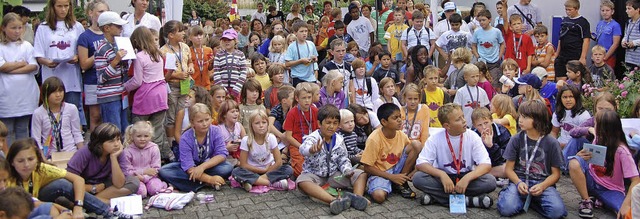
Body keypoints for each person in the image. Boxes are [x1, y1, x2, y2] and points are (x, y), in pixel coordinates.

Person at [5, 138, 131, 218]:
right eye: (20, 161)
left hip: (36, 200)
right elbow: (26, 204)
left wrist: (77, 207)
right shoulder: (6, 178)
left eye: (31, 159)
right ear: (11, 162)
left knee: (62, 184)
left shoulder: (41, 168)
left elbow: (78, 179)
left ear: (37, 159)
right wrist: (61, 209)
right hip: (16, 210)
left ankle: (108, 212)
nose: (26, 165)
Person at [413, 103, 496, 208]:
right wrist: (441, 175)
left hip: (466, 177)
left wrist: (467, 178)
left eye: (463, 117)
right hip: (443, 179)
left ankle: (437, 198)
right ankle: (469, 201)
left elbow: (486, 164)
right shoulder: (435, 138)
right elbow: (421, 163)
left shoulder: (473, 136)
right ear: (447, 126)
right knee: (418, 178)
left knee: (490, 181)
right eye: (458, 119)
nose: (464, 121)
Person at [496, 100, 567, 218]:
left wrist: (542, 186)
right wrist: (518, 182)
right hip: (519, 181)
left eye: (525, 117)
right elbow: (509, 169)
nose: (520, 120)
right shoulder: (516, 139)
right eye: (520, 115)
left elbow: (556, 174)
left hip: (543, 183)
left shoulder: (552, 143)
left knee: (557, 212)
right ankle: (515, 196)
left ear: (538, 119)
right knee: (506, 209)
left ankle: (530, 201)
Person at [296, 104, 369, 214]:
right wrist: (311, 150)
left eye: (335, 123)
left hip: (334, 176)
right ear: (320, 123)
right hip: (315, 175)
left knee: (361, 174)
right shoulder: (313, 138)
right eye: (328, 123)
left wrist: (347, 170)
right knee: (301, 181)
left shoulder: (339, 139)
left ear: (338, 125)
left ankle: (356, 198)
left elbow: (342, 159)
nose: (331, 126)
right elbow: (302, 149)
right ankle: (334, 201)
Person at [568, 110, 640, 218]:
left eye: (596, 124)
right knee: (574, 163)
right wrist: (580, 156)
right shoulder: (597, 139)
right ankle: (587, 200)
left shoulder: (622, 151)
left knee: (625, 213)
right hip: (592, 181)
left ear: (604, 128)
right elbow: (586, 164)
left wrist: (626, 204)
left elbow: (636, 180)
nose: (593, 126)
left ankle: (600, 200)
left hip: (611, 189)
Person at [34, 0, 86, 131]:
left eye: (66, 6)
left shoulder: (77, 26)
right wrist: (47, 62)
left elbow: (83, 49)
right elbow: (38, 54)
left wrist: (77, 57)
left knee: (72, 111)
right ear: (53, 7)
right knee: (51, 113)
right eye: (59, 6)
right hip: (52, 75)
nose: (63, 10)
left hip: (71, 77)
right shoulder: (43, 28)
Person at [159, 103, 233, 192]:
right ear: (192, 122)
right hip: (189, 169)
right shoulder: (185, 138)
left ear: (211, 118)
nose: (205, 124)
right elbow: (188, 167)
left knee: (227, 167)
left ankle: (192, 182)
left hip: (208, 165)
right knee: (164, 171)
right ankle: (207, 182)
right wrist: (209, 179)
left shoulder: (216, 131)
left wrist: (202, 167)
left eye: (207, 119)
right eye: (200, 121)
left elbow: (222, 154)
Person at [361, 103, 422, 203]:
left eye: (400, 117)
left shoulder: (401, 135)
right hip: (381, 172)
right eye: (395, 118)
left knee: (416, 144)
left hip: (398, 168)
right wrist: (391, 177)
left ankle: (401, 182)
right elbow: (367, 167)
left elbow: (411, 153)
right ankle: (391, 182)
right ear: (384, 122)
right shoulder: (374, 139)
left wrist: (415, 169)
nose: (399, 120)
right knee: (379, 196)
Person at [125, 26, 170, 160]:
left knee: (139, 128)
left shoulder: (139, 56)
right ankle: (157, 159)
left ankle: (141, 159)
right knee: (157, 130)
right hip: (161, 95)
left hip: (145, 96)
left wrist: (125, 87)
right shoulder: (158, 54)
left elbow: (137, 81)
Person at [67, 123, 140, 204]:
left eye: (118, 139)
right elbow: (68, 180)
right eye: (111, 141)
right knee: (63, 195)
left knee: (134, 182)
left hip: (104, 185)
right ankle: (98, 202)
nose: (116, 144)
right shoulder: (84, 153)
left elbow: (119, 184)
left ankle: (94, 201)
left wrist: (113, 158)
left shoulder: (118, 151)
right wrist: (92, 188)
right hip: (84, 186)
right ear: (99, 143)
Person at [0, 13, 39, 146]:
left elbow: (33, 66)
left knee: (23, 129)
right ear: (4, 28)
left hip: (25, 96)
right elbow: (2, 66)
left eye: (19, 28)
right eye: (13, 28)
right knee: (7, 131)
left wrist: (11, 68)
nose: (17, 31)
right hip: (7, 97)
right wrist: (21, 63)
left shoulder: (27, 46)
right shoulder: (1, 47)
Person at [232, 111, 293, 192]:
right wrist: (262, 171)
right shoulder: (246, 140)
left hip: (270, 170)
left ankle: (254, 182)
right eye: (257, 123)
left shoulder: (271, 138)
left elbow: (278, 162)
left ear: (267, 124)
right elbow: (243, 164)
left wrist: (266, 172)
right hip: (252, 170)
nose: (261, 126)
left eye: (264, 122)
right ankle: (272, 183)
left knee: (288, 169)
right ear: (251, 126)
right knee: (236, 172)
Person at [95, 11, 130, 133]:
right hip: (109, 97)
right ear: (107, 28)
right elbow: (101, 78)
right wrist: (116, 61)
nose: (121, 29)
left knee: (125, 131)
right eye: (118, 26)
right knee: (113, 133)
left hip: (121, 94)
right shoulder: (101, 49)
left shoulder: (118, 45)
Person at [32, 77, 83, 157]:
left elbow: (77, 133)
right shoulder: (38, 113)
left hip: (71, 152)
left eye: (60, 91)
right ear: (46, 94)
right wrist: (43, 159)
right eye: (54, 92)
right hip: (49, 155)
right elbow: (36, 140)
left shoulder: (71, 108)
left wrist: (81, 154)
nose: (58, 95)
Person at [121, 121, 168, 198]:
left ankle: (163, 185)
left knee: (155, 189)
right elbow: (126, 171)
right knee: (141, 193)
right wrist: (143, 172)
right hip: (135, 179)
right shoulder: (127, 151)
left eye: (146, 136)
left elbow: (156, 169)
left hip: (151, 177)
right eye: (139, 136)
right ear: (132, 136)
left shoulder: (154, 148)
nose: (142, 139)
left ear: (150, 136)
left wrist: (144, 178)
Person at [284, 83, 319, 176]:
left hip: (313, 144)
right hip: (297, 145)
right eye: (304, 98)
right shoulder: (292, 113)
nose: (307, 101)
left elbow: (319, 131)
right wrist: (301, 147)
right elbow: (288, 136)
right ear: (297, 98)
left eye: (309, 97)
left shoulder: (315, 111)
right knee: (301, 170)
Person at [554, 0, 591, 82]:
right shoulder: (564, 20)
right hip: (562, 55)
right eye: (566, 9)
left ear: (576, 9)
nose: (568, 12)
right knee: (560, 79)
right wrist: (557, 53)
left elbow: (586, 40)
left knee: (573, 79)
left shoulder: (582, 22)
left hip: (574, 54)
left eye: (570, 10)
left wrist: (582, 57)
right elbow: (561, 37)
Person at [471, 107, 511, 179]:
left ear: (492, 121)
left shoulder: (503, 131)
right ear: (474, 126)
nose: (484, 127)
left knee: (507, 168)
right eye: (479, 125)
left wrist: (491, 146)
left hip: (497, 165)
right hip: (480, 165)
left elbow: (506, 156)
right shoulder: (472, 134)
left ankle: (483, 175)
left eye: (486, 123)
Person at [471, 9, 505, 90]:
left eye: (484, 20)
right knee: (481, 83)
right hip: (482, 62)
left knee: (494, 83)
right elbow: (473, 45)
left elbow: (502, 44)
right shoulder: (477, 32)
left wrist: (499, 56)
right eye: (480, 21)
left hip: (494, 62)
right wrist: (477, 56)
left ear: (489, 19)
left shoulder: (496, 31)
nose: (482, 22)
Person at [213, 29, 248, 101]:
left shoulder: (240, 54)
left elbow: (243, 73)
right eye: (224, 40)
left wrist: (236, 89)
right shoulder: (219, 55)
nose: (227, 42)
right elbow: (216, 73)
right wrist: (223, 90)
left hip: (236, 89)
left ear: (235, 41)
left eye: (229, 39)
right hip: (222, 91)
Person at [285, 21, 318, 87]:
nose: (304, 33)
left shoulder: (311, 44)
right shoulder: (292, 46)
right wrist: (300, 61)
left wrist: (314, 59)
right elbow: (287, 64)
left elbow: (316, 58)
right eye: (301, 31)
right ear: (295, 33)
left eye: (306, 31)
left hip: (311, 77)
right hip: (298, 78)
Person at [501, 10, 534, 75]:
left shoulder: (527, 38)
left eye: (518, 23)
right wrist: (504, 5)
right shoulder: (509, 35)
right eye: (514, 24)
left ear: (522, 24)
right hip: (509, 67)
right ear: (510, 26)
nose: (517, 26)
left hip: (522, 68)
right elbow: (505, 19)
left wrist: (528, 68)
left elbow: (530, 54)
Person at [595, 0, 621, 69]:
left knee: (607, 77)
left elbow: (615, 44)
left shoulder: (615, 25)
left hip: (608, 56)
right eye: (602, 10)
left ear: (612, 11)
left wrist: (606, 57)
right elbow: (598, 38)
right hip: (598, 55)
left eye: (607, 10)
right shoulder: (599, 23)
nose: (605, 12)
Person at [623, 0, 640, 70]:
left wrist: (634, 43)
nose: (626, 11)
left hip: (638, 59)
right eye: (626, 9)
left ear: (637, 9)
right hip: (629, 59)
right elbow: (626, 35)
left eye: (629, 8)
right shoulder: (628, 22)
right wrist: (623, 42)